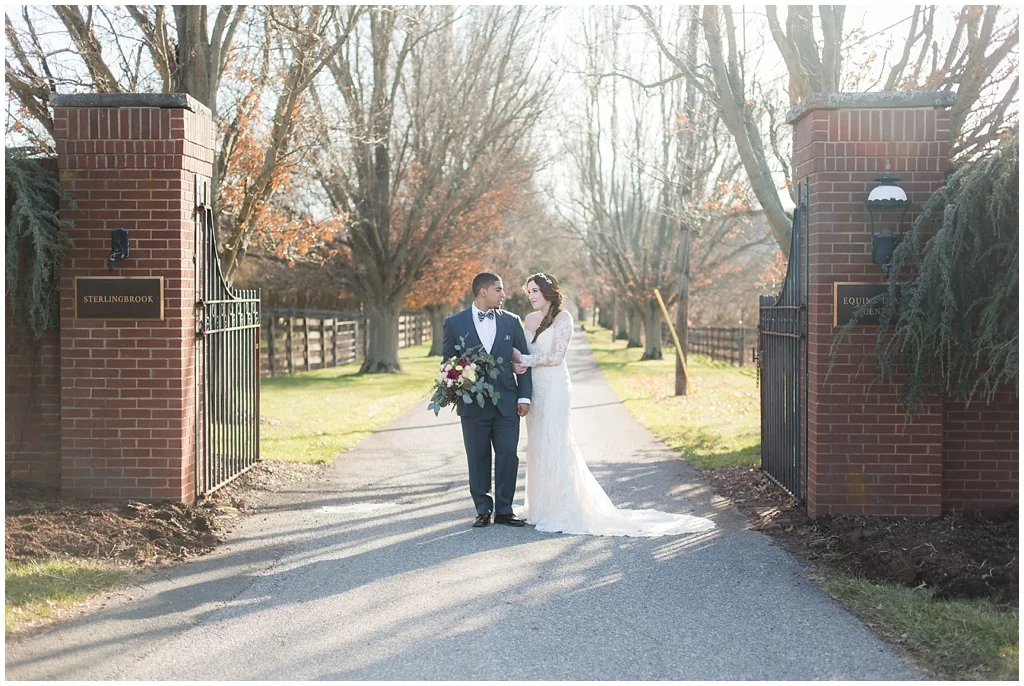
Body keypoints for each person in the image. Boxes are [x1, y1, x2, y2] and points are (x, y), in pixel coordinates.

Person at [511, 273, 716, 537]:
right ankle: (539, 505)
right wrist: (519, 363)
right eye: (528, 292)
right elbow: (526, 353)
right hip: (536, 388)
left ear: (549, 291)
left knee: (556, 440)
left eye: (536, 291)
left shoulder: (564, 318)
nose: (531, 296)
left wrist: (524, 359)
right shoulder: (528, 320)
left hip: (555, 386)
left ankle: (562, 506)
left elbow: (556, 357)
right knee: (538, 442)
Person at [442, 273, 533, 528]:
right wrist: (458, 376)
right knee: (477, 456)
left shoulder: (512, 322)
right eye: (499, 289)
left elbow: (523, 361)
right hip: (472, 405)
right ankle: (482, 509)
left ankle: (504, 510)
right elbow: (447, 362)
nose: (504, 295)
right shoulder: (454, 323)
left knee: (508, 455)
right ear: (483, 292)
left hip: (507, 403)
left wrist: (524, 396)